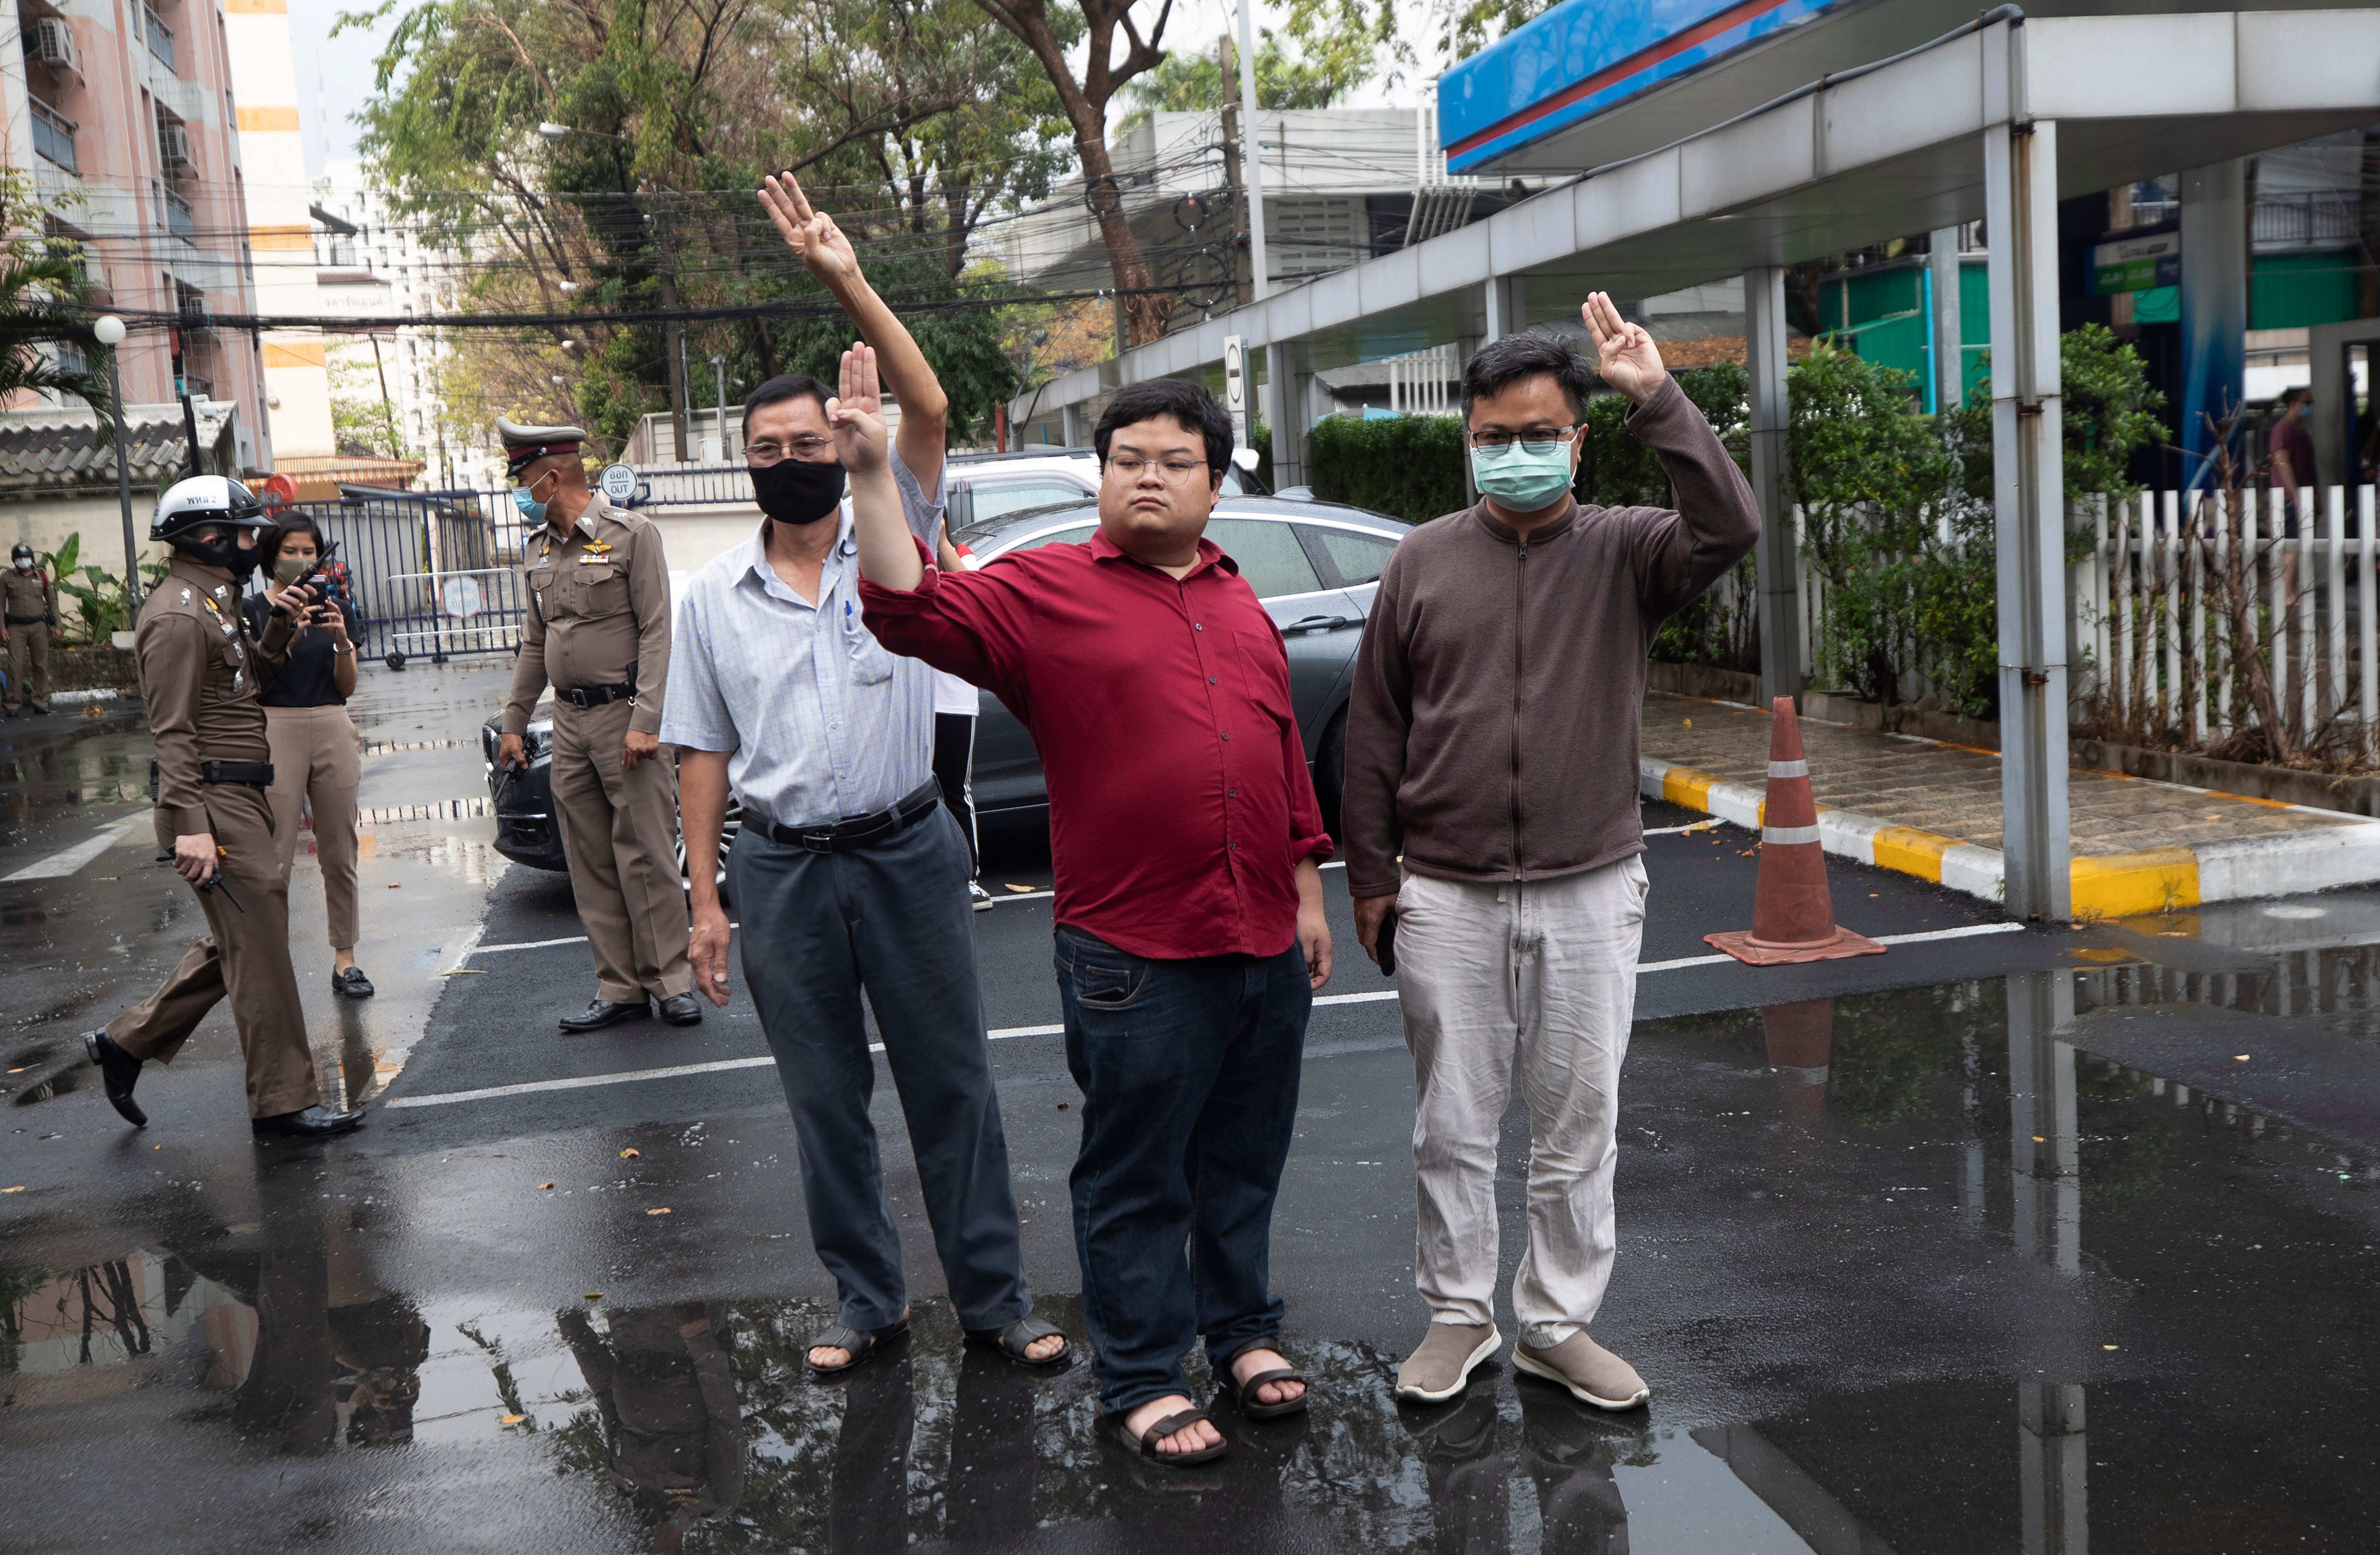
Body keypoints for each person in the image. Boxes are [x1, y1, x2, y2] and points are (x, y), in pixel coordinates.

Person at [855, 364, 1332, 1467]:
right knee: (1138, 1170)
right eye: (1129, 461)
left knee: (1245, 1157)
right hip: (1136, 952)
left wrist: (1309, 886)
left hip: (1261, 934)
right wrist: (873, 472)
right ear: (1104, 478)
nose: (1151, 478)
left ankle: (1244, 1332)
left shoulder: (1235, 597)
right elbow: (903, 605)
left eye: (1177, 462)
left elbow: (1279, 754)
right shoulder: (1046, 591)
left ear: (1215, 485)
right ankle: (1141, 1373)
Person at [658, 169, 1069, 1381]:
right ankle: (865, 1298)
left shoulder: (898, 547)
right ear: (742, 464)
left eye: (808, 442)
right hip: (781, 870)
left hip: (905, 848)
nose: (789, 459)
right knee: (824, 1103)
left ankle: (993, 1298)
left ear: (842, 449)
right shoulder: (708, 600)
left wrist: (843, 275)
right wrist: (703, 899)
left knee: (954, 1087)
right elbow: (701, 750)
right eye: (765, 448)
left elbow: (930, 408)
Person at [1342, 299, 1759, 1411]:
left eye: (1538, 434)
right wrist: (1374, 879)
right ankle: (1459, 1316)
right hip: (1448, 892)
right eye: (1494, 436)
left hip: (1589, 885)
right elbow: (1376, 729)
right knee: (1455, 1123)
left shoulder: (1627, 550)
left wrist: (1658, 395)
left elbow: (1730, 527)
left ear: (1577, 441)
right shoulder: (1423, 562)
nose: (1515, 453)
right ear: (1468, 439)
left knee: (1580, 1121)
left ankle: (1558, 1322)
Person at [79, 476, 365, 1139]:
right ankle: (284, 1102)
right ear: (206, 536)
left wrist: (282, 629)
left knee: (245, 943)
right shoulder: (179, 615)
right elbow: (172, 730)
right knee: (260, 954)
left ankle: (124, 1044)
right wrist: (192, 829)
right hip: (211, 800)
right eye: (243, 532)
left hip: (240, 794)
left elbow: (248, 686)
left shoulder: (215, 602)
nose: (254, 543)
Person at [495, 418, 700, 1032]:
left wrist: (648, 719)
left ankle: (671, 981)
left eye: (524, 477)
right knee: (590, 859)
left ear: (552, 477)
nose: (520, 490)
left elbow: (659, 631)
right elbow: (536, 645)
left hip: (623, 720)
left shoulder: (632, 535)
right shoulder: (537, 551)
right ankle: (621, 987)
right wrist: (514, 721)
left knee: (648, 855)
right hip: (570, 721)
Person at [243, 516, 372, 999]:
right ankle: (271, 966)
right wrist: (286, 631)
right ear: (271, 556)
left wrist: (341, 640)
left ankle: (346, 960)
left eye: (310, 550)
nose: (302, 559)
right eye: (292, 550)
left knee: (340, 848)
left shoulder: (333, 604)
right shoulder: (255, 610)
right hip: (277, 726)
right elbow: (257, 680)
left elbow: (347, 686)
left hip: (332, 722)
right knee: (274, 853)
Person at [931, 528, 992, 911]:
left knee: (954, 789)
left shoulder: (963, 555)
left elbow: (975, 599)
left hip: (952, 696)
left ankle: (968, 878)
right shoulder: (895, 557)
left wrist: (940, 545)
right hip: (905, 700)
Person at [2, 541, 56, 716]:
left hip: (38, 627)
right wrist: (2, 628)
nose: (23, 561)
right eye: (19, 558)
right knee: (15, 667)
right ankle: (13, 704)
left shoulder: (41, 577)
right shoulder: (7, 578)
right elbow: (1, 605)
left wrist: (59, 626)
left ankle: (41, 702)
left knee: (41, 665)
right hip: (16, 628)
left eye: (26, 558)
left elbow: (52, 601)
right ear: (14, 561)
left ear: (32, 559)